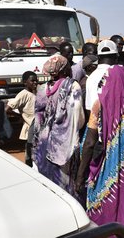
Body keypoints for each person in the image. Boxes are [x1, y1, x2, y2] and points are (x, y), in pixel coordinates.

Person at [76, 66, 124, 237]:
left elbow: (89, 142)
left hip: (105, 175)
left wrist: (80, 177)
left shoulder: (99, 105)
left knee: (104, 214)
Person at [32, 55, 85, 200]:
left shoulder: (43, 88)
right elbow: (78, 118)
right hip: (64, 144)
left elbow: (37, 118)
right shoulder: (72, 86)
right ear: (64, 68)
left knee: (48, 180)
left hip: (44, 142)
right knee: (65, 184)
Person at [6, 71, 38, 166]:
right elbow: (8, 109)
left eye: (36, 81)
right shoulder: (23, 94)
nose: (35, 83)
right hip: (30, 128)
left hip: (38, 127)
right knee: (29, 154)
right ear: (25, 82)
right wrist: (20, 116)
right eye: (32, 81)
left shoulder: (36, 93)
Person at [85, 40, 118, 112]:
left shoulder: (91, 78)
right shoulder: (119, 75)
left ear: (98, 57)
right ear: (116, 57)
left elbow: (89, 109)